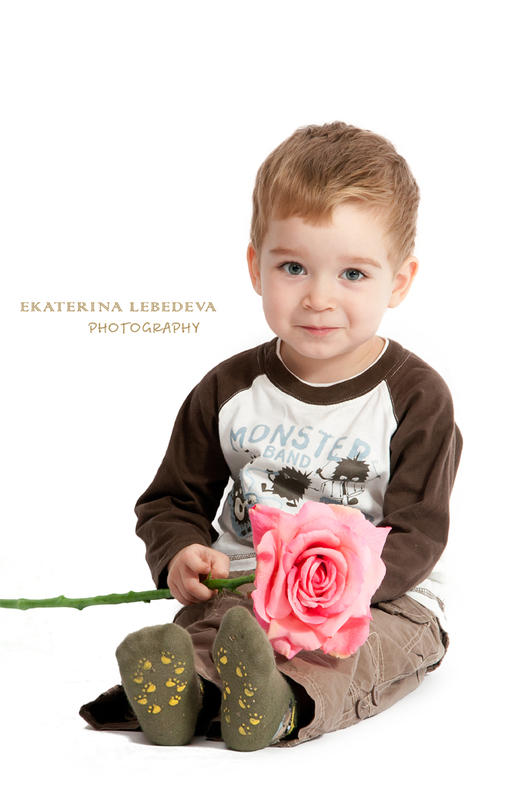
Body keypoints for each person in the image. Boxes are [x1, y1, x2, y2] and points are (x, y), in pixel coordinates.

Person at [80, 122, 462, 750]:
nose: (318, 298)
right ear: (256, 267)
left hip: (377, 600)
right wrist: (180, 553)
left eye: (353, 274)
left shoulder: (415, 398)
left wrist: (334, 598)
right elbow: (172, 499)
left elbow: (418, 532)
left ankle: (278, 705)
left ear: (399, 281)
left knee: (355, 653)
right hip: (247, 590)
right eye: (294, 267)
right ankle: (185, 694)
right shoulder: (230, 390)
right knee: (221, 634)